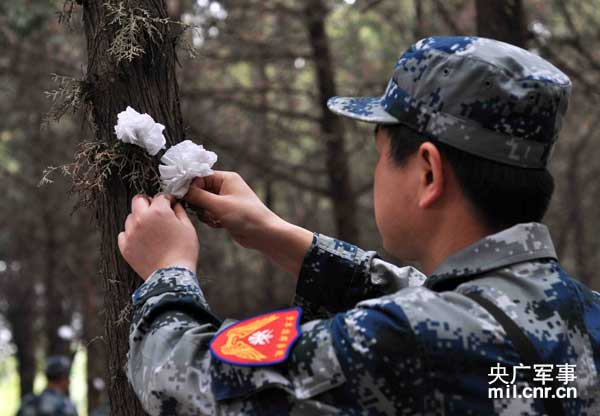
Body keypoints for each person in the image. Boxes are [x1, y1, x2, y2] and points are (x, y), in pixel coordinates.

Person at [120, 36, 600, 415]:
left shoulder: (401, 341)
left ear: (428, 173)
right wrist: (280, 236)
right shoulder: (585, 315)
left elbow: (182, 380)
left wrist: (168, 271)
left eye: (380, 156)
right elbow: (450, 304)